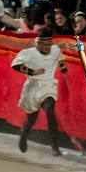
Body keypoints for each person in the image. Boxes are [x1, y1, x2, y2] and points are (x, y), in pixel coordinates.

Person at [10, 27, 69, 155]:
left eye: (49, 44)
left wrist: (64, 71)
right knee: (31, 119)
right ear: (38, 43)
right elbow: (15, 65)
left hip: (48, 86)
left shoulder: (55, 50)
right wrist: (32, 71)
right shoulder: (28, 53)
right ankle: (24, 133)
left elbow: (60, 60)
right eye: (45, 45)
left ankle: (54, 144)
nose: (48, 47)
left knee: (50, 112)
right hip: (33, 88)